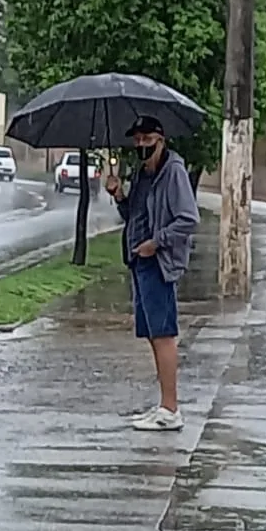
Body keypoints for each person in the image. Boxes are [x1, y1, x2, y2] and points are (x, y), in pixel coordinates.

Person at [105, 115, 199, 431]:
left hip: (157, 262)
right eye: (137, 140)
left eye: (147, 139)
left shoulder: (172, 171)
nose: (141, 144)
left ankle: (171, 409)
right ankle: (163, 405)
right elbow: (135, 214)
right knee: (152, 335)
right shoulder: (143, 173)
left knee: (163, 334)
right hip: (139, 262)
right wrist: (119, 196)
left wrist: (155, 244)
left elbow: (188, 219)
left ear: (161, 139)